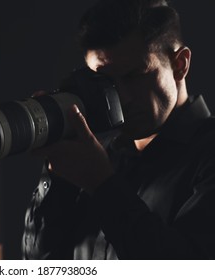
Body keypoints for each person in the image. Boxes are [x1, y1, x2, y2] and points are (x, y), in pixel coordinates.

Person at [22, 0, 215, 259]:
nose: (121, 98)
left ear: (180, 64)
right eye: (105, 82)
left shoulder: (207, 155)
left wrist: (102, 185)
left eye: (134, 76)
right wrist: (58, 179)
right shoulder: (100, 156)